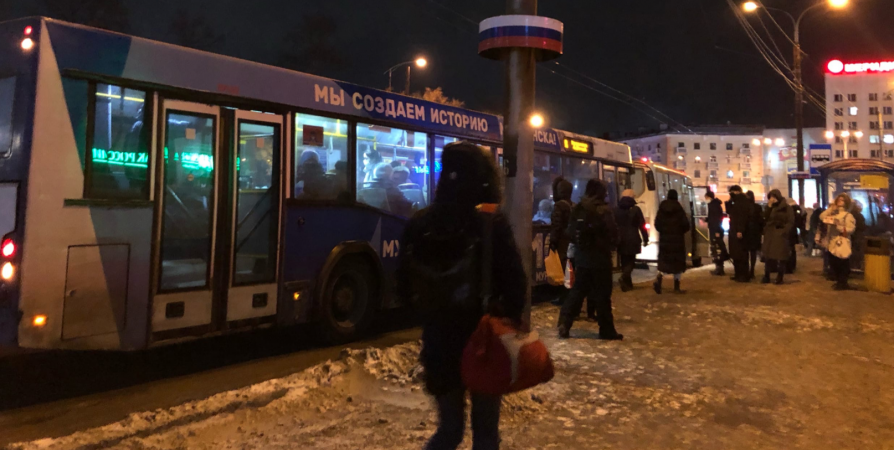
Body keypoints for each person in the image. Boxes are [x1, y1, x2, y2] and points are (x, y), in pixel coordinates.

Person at [397, 141, 526, 450]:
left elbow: (402, 286)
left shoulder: (419, 224)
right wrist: (506, 318)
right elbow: (516, 284)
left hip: (439, 344)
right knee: (485, 434)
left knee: (449, 430)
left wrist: (432, 317)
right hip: (483, 343)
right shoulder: (490, 224)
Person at [557, 179, 622, 340]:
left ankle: (564, 322)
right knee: (603, 296)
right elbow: (613, 234)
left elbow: (570, 232)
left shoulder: (579, 208)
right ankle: (606, 329)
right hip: (601, 260)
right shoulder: (604, 210)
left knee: (577, 292)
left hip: (583, 258)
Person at [653, 189, 691, 294]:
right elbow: (686, 225)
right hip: (677, 240)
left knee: (664, 261)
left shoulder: (662, 208)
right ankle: (676, 286)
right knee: (677, 263)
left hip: (665, 239)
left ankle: (659, 278)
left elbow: (657, 224)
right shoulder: (679, 208)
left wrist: (664, 231)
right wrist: (679, 231)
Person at [819, 193, 856, 290]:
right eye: (838, 199)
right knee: (833, 262)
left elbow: (850, 229)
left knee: (842, 261)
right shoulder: (833, 213)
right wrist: (831, 209)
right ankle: (839, 280)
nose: (840, 201)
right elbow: (822, 217)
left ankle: (842, 282)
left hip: (841, 240)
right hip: (831, 240)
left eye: (842, 200)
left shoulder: (848, 215)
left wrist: (838, 226)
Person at [614, 189, 649, 292]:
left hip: (620, 238)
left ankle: (628, 284)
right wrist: (645, 238)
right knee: (631, 262)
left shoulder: (616, 210)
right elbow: (642, 225)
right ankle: (624, 277)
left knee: (624, 261)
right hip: (633, 238)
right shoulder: (636, 209)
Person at [549, 177, 574, 306]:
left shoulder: (559, 206)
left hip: (562, 242)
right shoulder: (573, 205)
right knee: (570, 270)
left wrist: (553, 242)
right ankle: (568, 296)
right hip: (571, 242)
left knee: (563, 269)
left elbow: (556, 225)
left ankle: (564, 297)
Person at [761, 190, 794, 285]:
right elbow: (764, 218)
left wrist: (783, 231)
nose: (772, 199)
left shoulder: (786, 208)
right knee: (768, 257)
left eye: (774, 197)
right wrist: (769, 207)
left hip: (780, 235)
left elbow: (790, 221)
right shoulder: (769, 207)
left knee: (781, 256)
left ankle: (780, 277)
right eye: (770, 197)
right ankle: (766, 276)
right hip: (770, 234)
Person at [726, 185, 752, 282]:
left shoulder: (742, 202)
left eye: (732, 192)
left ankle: (743, 275)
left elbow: (742, 217)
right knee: (735, 254)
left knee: (741, 254)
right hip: (734, 230)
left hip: (739, 232)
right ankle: (738, 274)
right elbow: (729, 211)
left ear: (737, 192)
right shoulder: (735, 201)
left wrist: (740, 230)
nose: (731, 194)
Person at [705, 191, 728, 275]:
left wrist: (717, 231)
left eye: (706, 197)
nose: (706, 199)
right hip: (716, 229)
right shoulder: (716, 205)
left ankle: (719, 269)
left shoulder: (713, 206)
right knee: (717, 249)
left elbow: (716, 219)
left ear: (709, 197)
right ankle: (719, 268)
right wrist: (707, 219)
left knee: (716, 249)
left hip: (715, 230)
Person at [745, 191, 765, 280]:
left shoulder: (745, 207)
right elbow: (761, 220)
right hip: (755, 232)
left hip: (747, 232)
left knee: (746, 252)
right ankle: (752, 270)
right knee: (753, 252)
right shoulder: (757, 207)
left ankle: (748, 270)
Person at [785, 198, 803, 274]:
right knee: (792, 249)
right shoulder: (797, 209)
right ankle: (792, 265)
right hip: (794, 231)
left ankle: (789, 266)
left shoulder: (790, 209)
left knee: (789, 249)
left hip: (790, 232)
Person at [851, 200, 866, 271]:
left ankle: (853, 265)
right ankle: (857, 265)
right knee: (858, 251)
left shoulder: (849, 214)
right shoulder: (859, 216)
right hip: (858, 235)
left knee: (853, 251)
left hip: (852, 235)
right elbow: (862, 226)